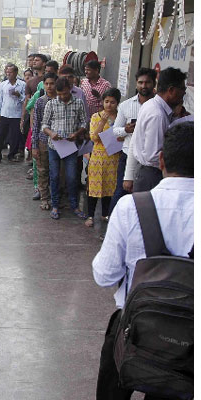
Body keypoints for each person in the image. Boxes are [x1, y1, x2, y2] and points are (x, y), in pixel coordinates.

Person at [92, 121, 193, 400]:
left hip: (132, 329)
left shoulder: (130, 207)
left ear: (161, 160)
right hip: (190, 338)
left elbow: (105, 276)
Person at [125, 67, 188, 193]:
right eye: (182, 89)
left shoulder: (152, 105)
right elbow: (153, 155)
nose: (184, 93)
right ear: (171, 90)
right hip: (152, 175)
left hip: (147, 172)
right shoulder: (157, 115)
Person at [108, 68, 156, 215]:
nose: (144, 86)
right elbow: (115, 130)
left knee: (144, 196)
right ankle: (112, 225)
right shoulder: (126, 105)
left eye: (147, 82)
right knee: (121, 191)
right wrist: (126, 130)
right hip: (128, 154)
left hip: (150, 160)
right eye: (140, 82)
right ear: (136, 84)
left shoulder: (159, 106)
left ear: (154, 84)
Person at [41, 77, 88, 220]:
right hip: (54, 146)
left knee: (72, 177)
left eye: (65, 94)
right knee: (54, 176)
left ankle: (74, 205)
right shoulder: (51, 104)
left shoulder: (78, 103)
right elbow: (44, 125)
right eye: (59, 94)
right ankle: (55, 205)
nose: (62, 97)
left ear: (70, 90)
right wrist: (51, 133)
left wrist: (77, 133)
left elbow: (84, 122)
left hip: (70, 147)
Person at [85, 88, 122, 227]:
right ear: (102, 102)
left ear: (117, 103)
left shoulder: (120, 117)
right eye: (106, 101)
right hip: (98, 157)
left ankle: (105, 214)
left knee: (109, 187)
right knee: (94, 187)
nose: (109, 105)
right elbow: (94, 137)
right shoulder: (96, 116)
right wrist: (102, 122)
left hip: (113, 157)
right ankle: (90, 215)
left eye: (112, 102)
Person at [31, 72, 58, 210]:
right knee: (43, 171)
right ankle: (44, 198)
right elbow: (36, 125)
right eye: (46, 84)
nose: (49, 86)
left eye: (52, 83)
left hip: (59, 142)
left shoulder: (61, 100)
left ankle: (56, 199)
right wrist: (34, 146)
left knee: (57, 172)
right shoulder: (40, 101)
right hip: (43, 141)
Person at [0, 64, 26, 163]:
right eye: (7, 72)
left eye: (10, 72)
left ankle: (12, 155)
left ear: (16, 73)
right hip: (4, 114)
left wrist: (19, 95)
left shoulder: (22, 84)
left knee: (15, 137)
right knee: (0, 136)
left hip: (16, 114)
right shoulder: (3, 84)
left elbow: (26, 100)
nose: (8, 74)